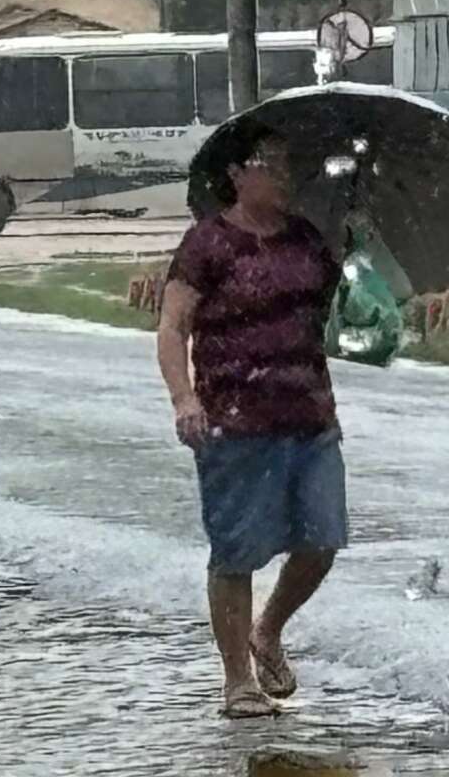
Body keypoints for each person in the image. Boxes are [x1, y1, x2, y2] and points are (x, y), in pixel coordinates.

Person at [156, 131, 348, 720]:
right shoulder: (207, 243)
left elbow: (342, 307)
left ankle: (267, 629)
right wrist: (184, 399)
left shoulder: (307, 239)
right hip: (234, 421)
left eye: (289, 164)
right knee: (236, 551)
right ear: (237, 174)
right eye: (272, 165)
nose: (284, 175)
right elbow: (172, 329)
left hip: (309, 413)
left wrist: (349, 243)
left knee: (322, 538)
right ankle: (237, 681)